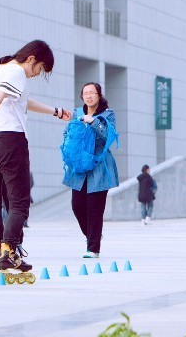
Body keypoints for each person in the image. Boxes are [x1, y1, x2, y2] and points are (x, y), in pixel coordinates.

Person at [0, 40, 68, 280]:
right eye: (39, 69)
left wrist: (56, 111)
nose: (37, 74)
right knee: (18, 202)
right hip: (9, 140)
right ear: (31, 58)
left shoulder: (0, 69)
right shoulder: (17, 71)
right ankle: (9, 250)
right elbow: (1, 94)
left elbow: (23, 102)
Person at [62, 82, 119, 257]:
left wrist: (93, 122)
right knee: (77, 205)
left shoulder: (108, 114)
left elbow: (109, 136)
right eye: (85, 93)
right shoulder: (77, 114)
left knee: (95, 207)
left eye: (92, 93)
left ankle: (93, 248)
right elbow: (68, 133)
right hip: (79, 165)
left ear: (99, 95)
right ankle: (93, 235)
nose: (88, 96)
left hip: (99, 165)